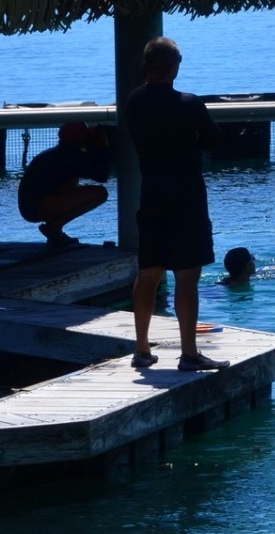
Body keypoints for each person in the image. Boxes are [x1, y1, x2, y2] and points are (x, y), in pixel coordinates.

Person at [125, 36, 225, 372]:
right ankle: (189, 353)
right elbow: (214, 141)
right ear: (174, 68)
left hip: (151, 196)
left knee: (148, 272)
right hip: (187, 199)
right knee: (187, 276)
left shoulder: (134, 102)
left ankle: (141, 348)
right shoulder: (189, 104)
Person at [16, 122, 110, 246]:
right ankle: (55, 227)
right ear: (80, 138)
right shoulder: (71, 156)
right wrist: (102, 148)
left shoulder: (57, 153)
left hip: (31, 206)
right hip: (39, 206)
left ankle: (55, 231)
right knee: (100, 193)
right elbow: (102, 176)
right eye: (86, 136)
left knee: (72, 181)